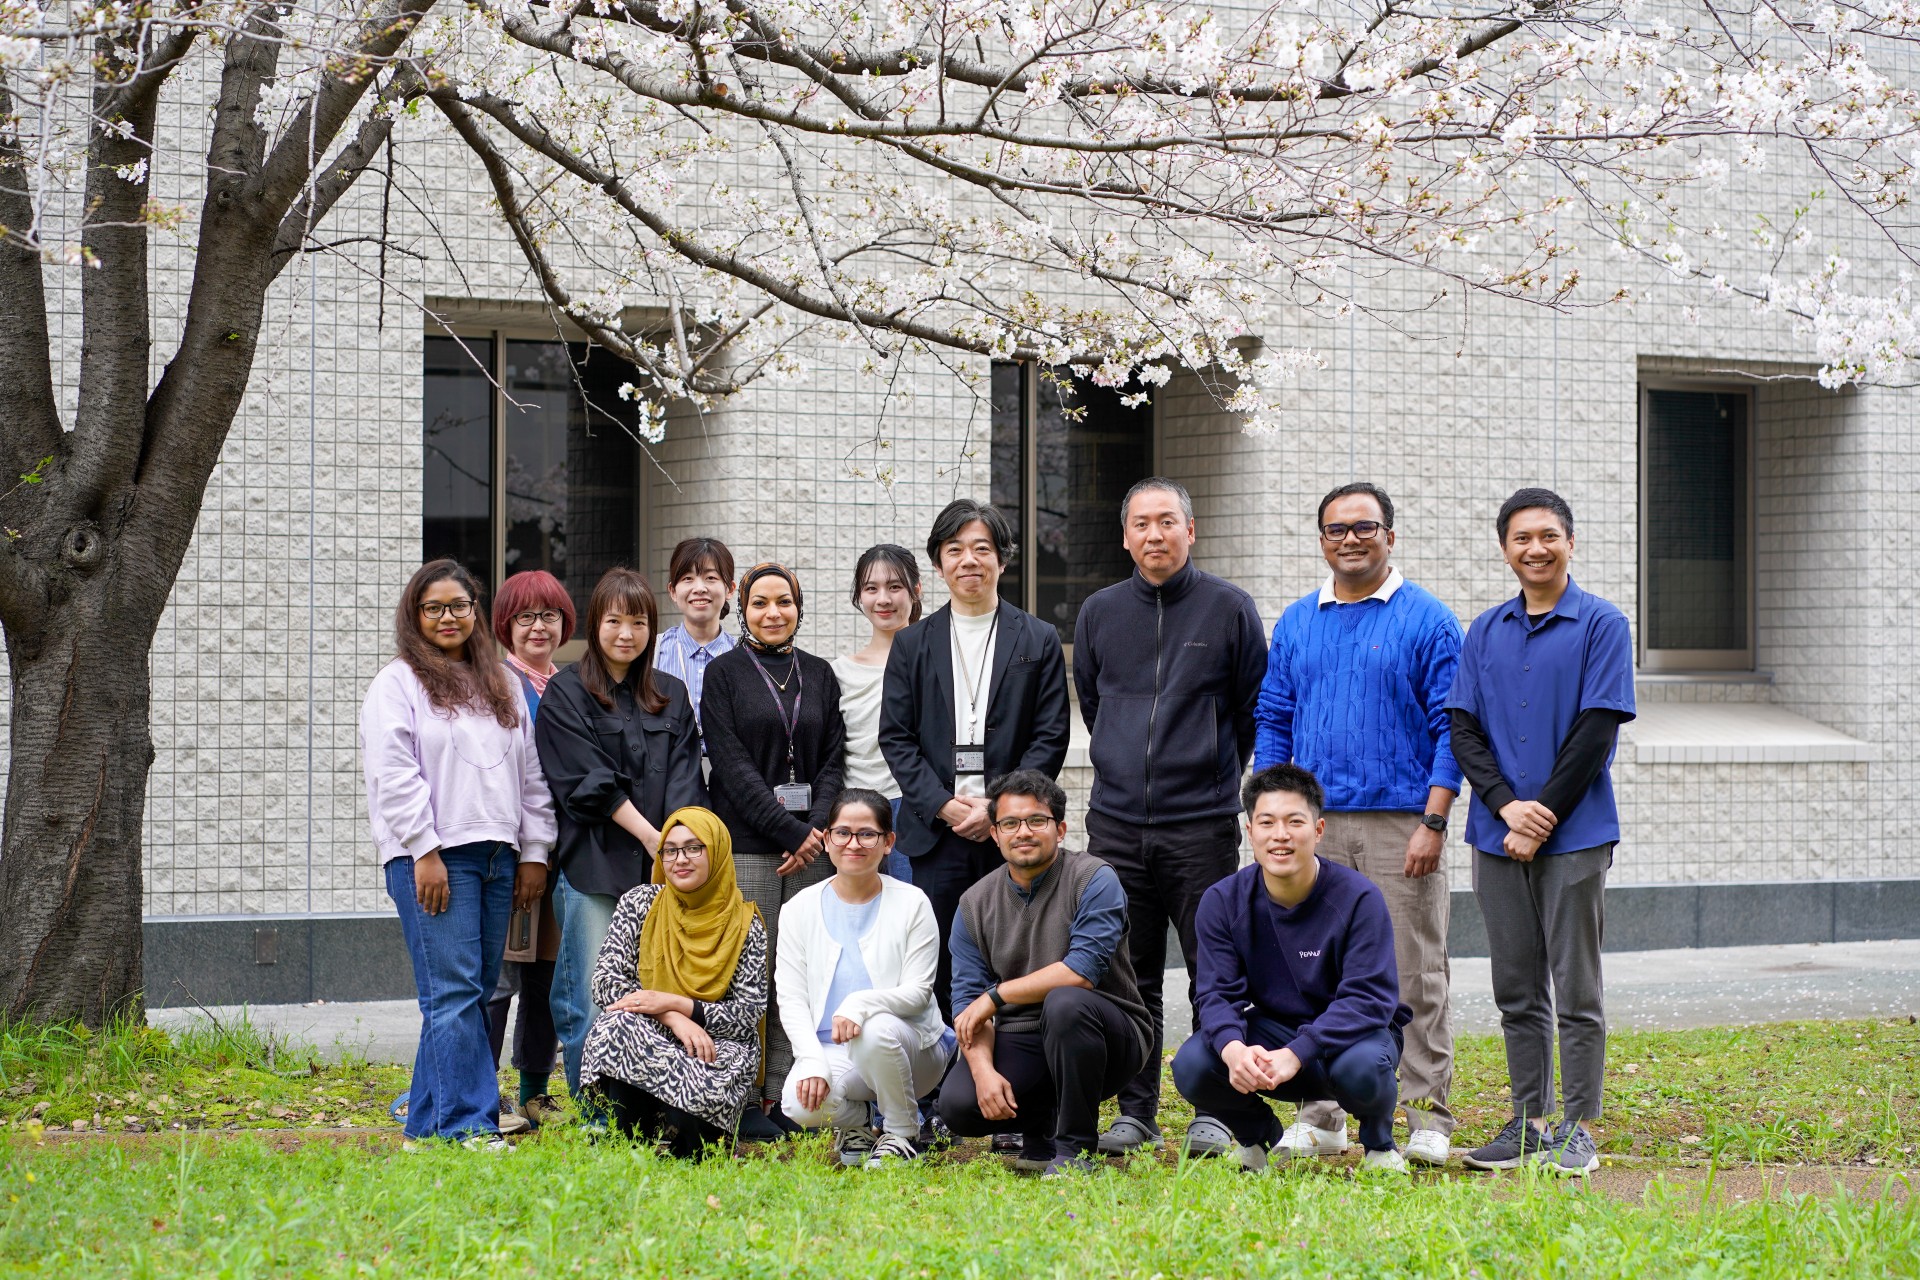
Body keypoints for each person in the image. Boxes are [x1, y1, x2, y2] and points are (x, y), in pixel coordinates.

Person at [1251, 482, 1463, 1167]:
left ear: (1389, 537)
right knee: (1311, 972)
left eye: (1364, 527)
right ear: (1322, 541)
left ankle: (1427, 1113)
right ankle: (1322, 1115)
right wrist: (1273, 814)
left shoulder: (1428, 619)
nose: (1350, 539)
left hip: (1401, 822)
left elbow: (1452, 728)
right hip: (1313, 827)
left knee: (1412, 969)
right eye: (1336, 529)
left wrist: (1434, 820)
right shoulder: (1297, 621)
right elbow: (1274, 717)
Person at [1071, 477, 1267, 1158]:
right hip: (1117, 825)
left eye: (1167, 521)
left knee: (1214, 971)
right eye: (1141, 523)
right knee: (1132, 971)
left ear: (1191, 529)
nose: (1154, 534)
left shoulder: (1229, 608)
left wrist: (1210, 772)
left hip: (1200, 824)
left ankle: (1215, 1108)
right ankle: (1138, 1110)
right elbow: (1094, 703)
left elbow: (1248, 710)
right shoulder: (1098, 612)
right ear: (1125, 536)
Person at [1447, 488, 1634, 1177]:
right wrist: (1505, 808)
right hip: (1496, 836)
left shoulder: (1603, 624)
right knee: (1516, 989)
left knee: (1576, 988)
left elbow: (1596, 731)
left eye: (1548, 535)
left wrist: (1541, 814)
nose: (1536, 548)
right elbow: (1463, 729)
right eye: (1521, 538)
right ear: (1505, 549)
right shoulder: (1484, 631)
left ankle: (1578, 1127)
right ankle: (1529, 1122)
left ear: (1570, 543)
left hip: (1575, 835)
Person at [360, 559, 556, 1151]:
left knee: (466, 993)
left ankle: (424, 1127)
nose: (448, 617)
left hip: (499, 857)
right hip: (435, 858)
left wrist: (534, 851)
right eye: (434, 608)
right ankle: (470, 1125)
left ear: (476, 611)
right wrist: (423, 850)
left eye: (459, 605)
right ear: (414, 615)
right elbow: (394, 774)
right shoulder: (398, 683)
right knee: (453, 993)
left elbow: (531, 773)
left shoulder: (500, 682)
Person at [880, 499, 1071, 1020]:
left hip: (1011, 831)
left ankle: (1015, 1057)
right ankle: (948, 1064)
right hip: (935, 831)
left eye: (982, 548)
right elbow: (896, 737)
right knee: (939, 959)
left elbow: (1050, 735)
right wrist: (943, 804)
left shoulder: (1037, 637)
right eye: (955, 549)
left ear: (1002, 559)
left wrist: (997, 809)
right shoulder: (911, 644)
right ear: (938, 564)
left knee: (1017, 952)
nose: (969, 560)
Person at [1171, 764, 1412, 1174]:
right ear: (1250, 832)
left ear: (1318, 830)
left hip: (1351, 1038)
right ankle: (1257, 1139)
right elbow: (1216, 993)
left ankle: (1379, 1146)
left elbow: (1369, 999)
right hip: (1274, 1031)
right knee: (1193, 1064)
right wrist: (1233, 1049)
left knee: (1363, 1068)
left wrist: (1298, 1053)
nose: (1280, 834)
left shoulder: (1359, 898)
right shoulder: (1223, 901)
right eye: (1267, 822)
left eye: (1294, 822)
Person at [535, 566, 707, 1126]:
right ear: (595, 624)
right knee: (590, 995)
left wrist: (675, 850)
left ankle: (646, 1111)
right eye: (614, 621)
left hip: (662, 873)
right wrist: (657, 841)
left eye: (638, 622)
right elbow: (588, 783)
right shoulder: (565, 692)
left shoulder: (671, 694)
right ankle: (597, 1117)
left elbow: (686, 781)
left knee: (656, 992)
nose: (626, 634)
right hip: (595, 869)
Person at [937, 770, 1153, 1177]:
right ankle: (1041, 1135)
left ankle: (1076, 1151)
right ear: (995, 834)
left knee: (1065, 1003)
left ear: (1061, 829)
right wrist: (983, 1072)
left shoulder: (1094, 878)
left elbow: (1081, 972)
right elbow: (968, 1005)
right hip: (1024, 1035)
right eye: (1010, 823)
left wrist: (996, 995)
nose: (1023, 832)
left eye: (1037, 820)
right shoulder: (974, 904)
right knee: (959, 1105)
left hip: (1107, 1032)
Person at [700, 562, 846, 1134]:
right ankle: (740, 1095)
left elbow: (833, 758)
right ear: (743, 609)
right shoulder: (724, 674)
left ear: (798, 608)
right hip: (749, 846)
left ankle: (786, 1092)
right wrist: (792, 832)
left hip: (812, 848)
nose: (773, 613)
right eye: (759, 603)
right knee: (748, 974)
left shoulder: (820, 673)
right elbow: (731, 766)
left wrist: (817, 828)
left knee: (799, 973)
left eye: (784, 602)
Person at [777, 789, 952, 1167]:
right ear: (826, 839)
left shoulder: (913, 902)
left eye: (867, 834)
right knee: (798, 1103)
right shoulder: (798, 909)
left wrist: (858, 1004)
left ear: (888, 842)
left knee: (873, 1030)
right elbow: (791, 998)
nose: (853, 843)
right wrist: (811, 1059)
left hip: (912, 1049)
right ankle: (858, 1123)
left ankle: (902, 1132)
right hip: (835, 1049)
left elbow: (919, 993)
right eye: (842, 833)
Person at [580, 807, 769, 1157]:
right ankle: (629, 1139)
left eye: (694, 848)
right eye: (670, 850)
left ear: (717, 852)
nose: (680, 859)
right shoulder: (640, 903)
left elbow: (747, 1014)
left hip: (714, 1040)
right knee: (614, 1027)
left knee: (720, 1062)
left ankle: (693, 1147)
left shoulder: (745, 924)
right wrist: (671, 1016)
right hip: (653, 1030)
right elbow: (606, 983)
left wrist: (681, 1005)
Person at [483, 569, 576, 1131]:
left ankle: (534, 1091)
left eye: (549, 615)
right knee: (498, 978)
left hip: (567, 853)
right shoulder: (493, 683)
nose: (538, 627)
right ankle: (481, 1092)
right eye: (525, 617)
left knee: (546, 974)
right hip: (510, 851)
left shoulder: (572, 684)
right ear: (505, 625)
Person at [833, 545, 923, 882]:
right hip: (852, 810)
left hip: (914, 807)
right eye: (871, 588)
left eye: (894, 586)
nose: (883, 599)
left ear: (916, 590)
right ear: (860, 596)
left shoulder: (935, 663)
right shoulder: (839, 672)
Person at [654, 537, 738, 744]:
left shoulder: (744, 655)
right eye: (688, 578)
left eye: (710, 577)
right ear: (673, 591)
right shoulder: (653, 652)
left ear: (730, 589)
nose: (699, 588)